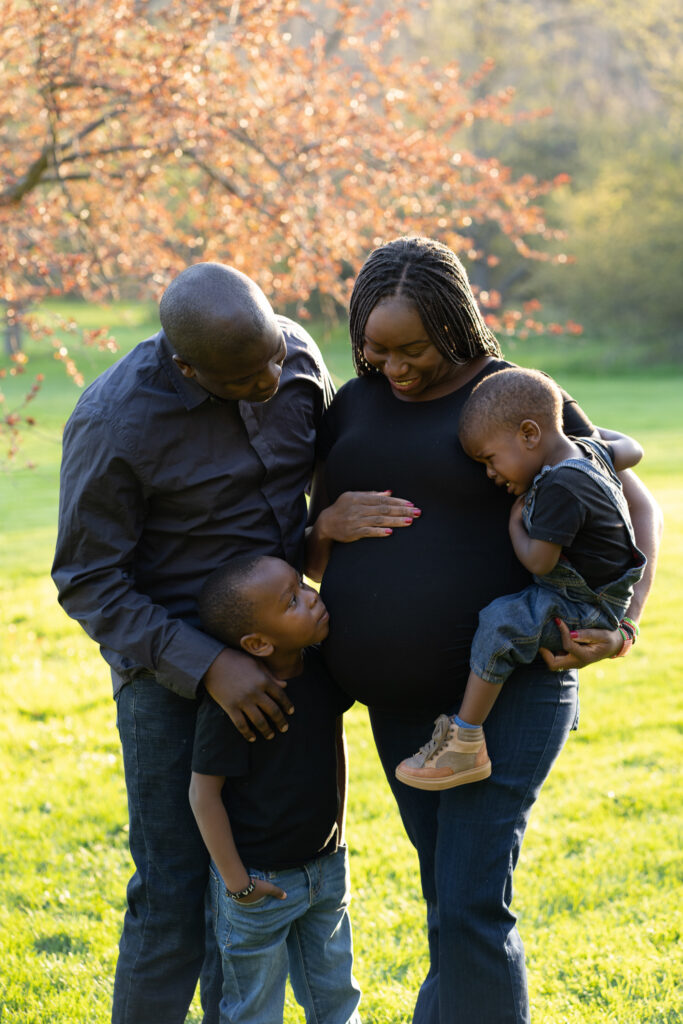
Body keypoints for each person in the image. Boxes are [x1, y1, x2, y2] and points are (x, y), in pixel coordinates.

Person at [305, 236, 661, 1024]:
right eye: (375, 347)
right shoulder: (353, 408)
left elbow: (634, 506)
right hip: (399, 710)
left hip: (508, 696)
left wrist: (624, 624)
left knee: (469, 907)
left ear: (454, 324)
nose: (393, 366)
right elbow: (311, 539)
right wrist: (325, 520)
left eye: (414, 348)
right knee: (448, 900)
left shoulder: (514, 399)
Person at [51, 262, 413, 1024]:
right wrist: (210, 663)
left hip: (287, 661)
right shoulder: (115, 420)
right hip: (170, 672)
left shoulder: (294, 360)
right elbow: (88, 579)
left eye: (274, 359)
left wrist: (324, 531)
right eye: (246, 376)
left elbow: (318, 473)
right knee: (175, 894)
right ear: (186, 366)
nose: (271, 379)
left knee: (259, 884)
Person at [395, 366, 646, 790]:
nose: (491, 474)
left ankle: (465, 740)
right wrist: (565, 428)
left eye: (490, 460)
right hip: (598, 596)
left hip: (586, 605)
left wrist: (515, 526)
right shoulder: (589, 453)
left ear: (530, 434)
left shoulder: (559, 486)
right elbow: (633, 449)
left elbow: (541, 563)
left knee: (502, 623)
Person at [189, 554, 361, 1024]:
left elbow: (334, 742)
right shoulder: (235, 704)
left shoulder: (323, 669)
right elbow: (203, 796)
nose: (312, 598)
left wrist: (338, 837)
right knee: (255, 1011)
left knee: (337, 1001)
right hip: (260, 885)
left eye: (303, 586)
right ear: (259, 642)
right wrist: (239, 886)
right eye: (293, 601)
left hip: (325, 870)